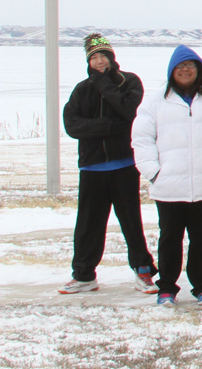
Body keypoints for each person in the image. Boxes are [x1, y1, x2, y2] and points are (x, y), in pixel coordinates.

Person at [132, 45, 202, 305]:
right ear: (171, 71)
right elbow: (142, 139)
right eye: (180, 66)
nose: (186, 70)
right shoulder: (155, 102)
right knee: (169, 240)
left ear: (199, 70)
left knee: (201, 240)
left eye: (191, 65)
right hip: (168, 186)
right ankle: (167, 287)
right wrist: (154, 173)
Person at [59, 33, 157, 295]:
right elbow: (72, 124)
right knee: (88, 224)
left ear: (112, 58)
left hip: (123, 165)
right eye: (94, 58)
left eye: (103, 56)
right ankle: (83, 275)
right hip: (92, 167)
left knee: (131, 222)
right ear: (88, 61)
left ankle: (143, 271)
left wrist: (104, 85)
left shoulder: (130, 82)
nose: (99, 62)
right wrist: (109, 127)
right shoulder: (81, 89)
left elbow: (130, 113)